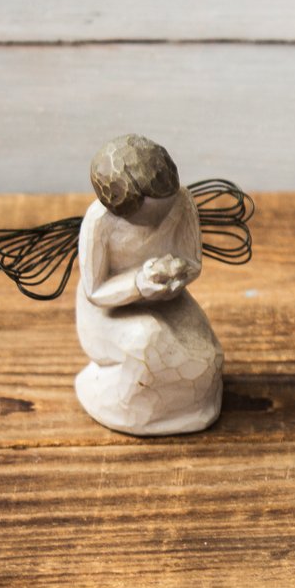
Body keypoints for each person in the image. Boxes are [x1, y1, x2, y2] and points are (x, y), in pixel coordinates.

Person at [74, 135, 223, 435]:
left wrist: (178, 274)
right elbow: (95, 292)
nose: (163, 218)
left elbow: (193, 261)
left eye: (167, 207)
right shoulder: (99, 222)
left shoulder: (181, 201)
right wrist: (139, 283)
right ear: (124, 206)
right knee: (149, 342)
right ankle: (122, 402)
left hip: (168, 300)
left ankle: (190, 408)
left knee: (207, 356)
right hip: (109, 314)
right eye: (151, 214)